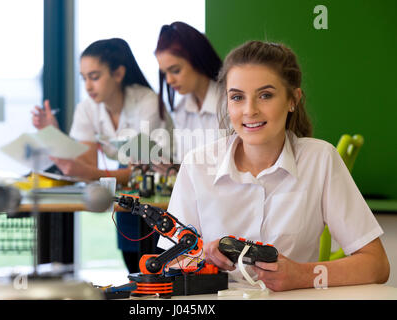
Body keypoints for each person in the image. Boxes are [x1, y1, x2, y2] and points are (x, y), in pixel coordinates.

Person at [158, 40, 389, 291]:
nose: (250, 110)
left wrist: (301, 275)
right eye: (237, 97)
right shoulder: (197, 164)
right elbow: (167, 265)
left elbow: (377, 265)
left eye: (265, 95)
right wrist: (204, 259)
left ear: (293, 100)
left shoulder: (320, 158)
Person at [31, 38, 173, 273]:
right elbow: (87, 167)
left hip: (163, 188)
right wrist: (53, 135)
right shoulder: (88, 108)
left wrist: (90, 172)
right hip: (129, 190)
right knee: (135, 270)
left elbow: (143, 170)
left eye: (94, 77)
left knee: (160, 273)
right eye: (83, 78)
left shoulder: (147, 102)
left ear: (118, 73)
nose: (87, 86)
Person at [154, 21, 224, 166]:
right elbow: (186, 166)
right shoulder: (181, 110)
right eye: (164, 73)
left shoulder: (231, 103)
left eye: (175, 70)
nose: (169, 80)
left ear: (198, 59)